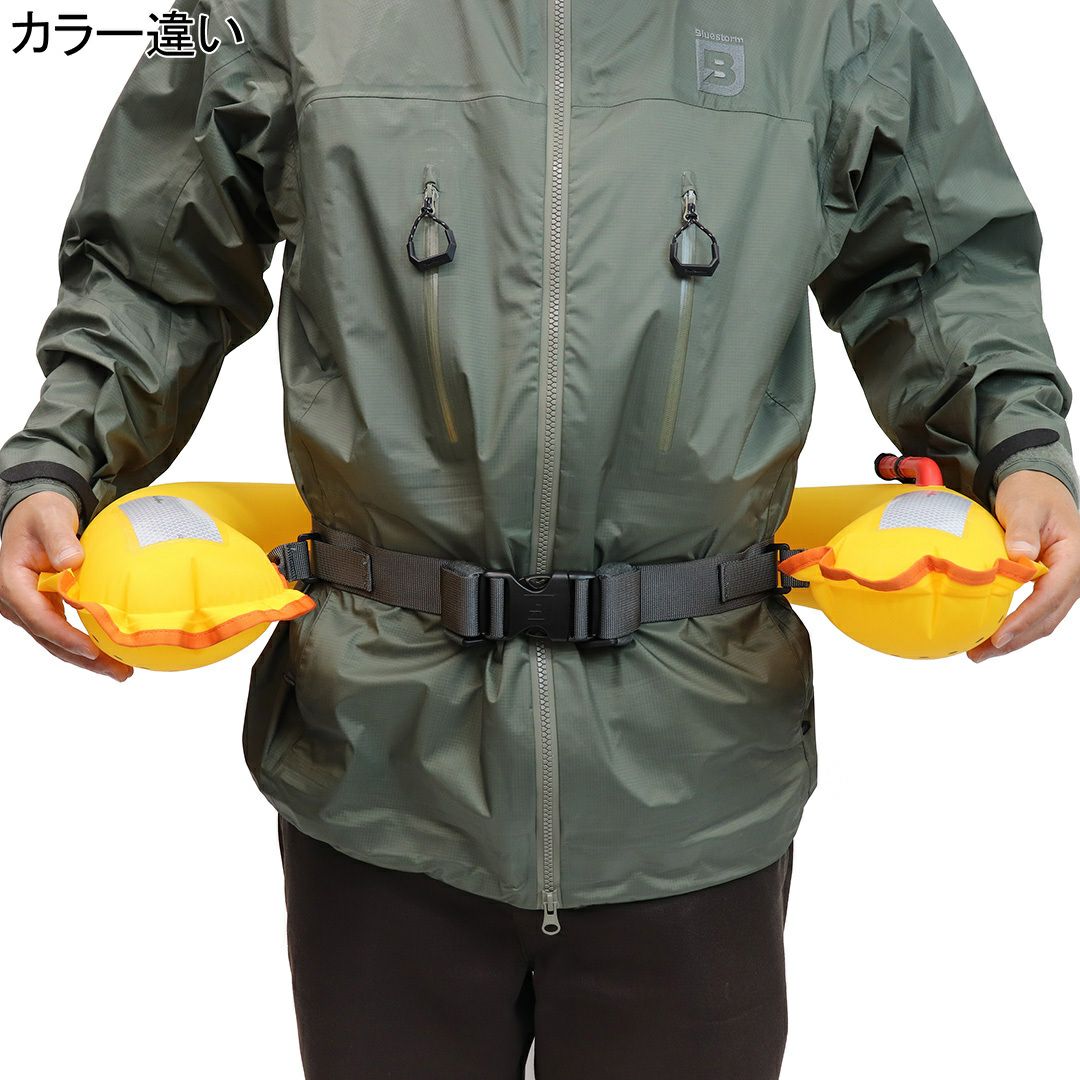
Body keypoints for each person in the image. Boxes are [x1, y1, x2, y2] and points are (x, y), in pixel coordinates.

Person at [2, 1, 1078, 1076]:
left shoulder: (835, 14)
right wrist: (56, 459)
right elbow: (154, 264)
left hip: (694, 781)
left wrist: (1019, 443)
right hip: (382, 771)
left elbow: (938, 262)